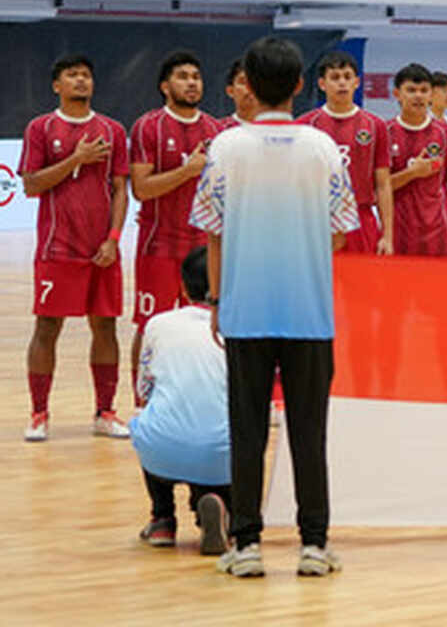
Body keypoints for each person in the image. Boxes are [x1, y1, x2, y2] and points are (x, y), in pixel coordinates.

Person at [190, 36, 360, 578]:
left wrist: (216, 300)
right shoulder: (323, 148)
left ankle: (247, 546)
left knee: (247, 429)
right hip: (310, 310)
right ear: (297, 86)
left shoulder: (224, 147)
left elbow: (213, 236)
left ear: (247, 85)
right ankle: (314, 544)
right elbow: (340, 233)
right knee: (310, 431)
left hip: (245, 309)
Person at [19, 54, 130, 442]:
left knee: (106, 327)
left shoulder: (113, 130)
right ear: (57, 85)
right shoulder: (40, 128)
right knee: (47, 327)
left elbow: (120, 189)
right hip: (57, 249)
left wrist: (114, 239)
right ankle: (38, 413)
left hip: (102, 250)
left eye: (86, 74)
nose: (81, 80)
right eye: (72, 75)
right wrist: (76, 158)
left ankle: (104, 411)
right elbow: (32, 185)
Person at [128, 51, 222, 405]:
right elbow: (142, 188)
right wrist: (187, 170)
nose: (192, 82)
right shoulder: (148, 126)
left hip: (204, 245)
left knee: (209, 324)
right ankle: (143, 403)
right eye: (183, 76)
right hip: (159, 244)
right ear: (165, 86)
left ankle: (201, 397)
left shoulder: (216, 130)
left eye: (196, 76)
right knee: (148, 324)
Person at [130, 246, 231, 556]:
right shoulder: (241, 326)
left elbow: (144, 391)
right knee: (231, 435)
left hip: (163, 450)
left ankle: (162, 519)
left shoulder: (158, 324)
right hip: (221, 454)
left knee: (148, 421)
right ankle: (221, 512)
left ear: (183, 287)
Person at [298, 51, 394, 256]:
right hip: (317, 219)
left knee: (362, 285)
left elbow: (383, 184)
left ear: (357, 82)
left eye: (347, 77)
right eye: (335, 77)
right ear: (322, 84)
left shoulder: (375, 125)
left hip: (362, 220)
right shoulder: (304, 126)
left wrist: (388, 235)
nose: (342, 83)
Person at [388, 63, 447, 256]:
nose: (418, 96)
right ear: (397, 94)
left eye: (424, 90)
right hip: (398, 232)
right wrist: (412, 174)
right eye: (411, 90)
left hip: (438, 233)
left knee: (442, 286)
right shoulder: (384, 132)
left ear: (431, 95)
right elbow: (378, 188)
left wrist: (437, 212)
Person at [217, 59, 256, 131]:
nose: (250, 87)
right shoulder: (217, 130)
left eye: (255, 81)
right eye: (243, 82)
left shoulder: (274, 129)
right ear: (230, 91)